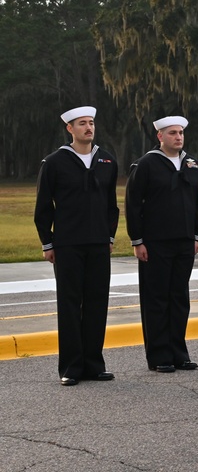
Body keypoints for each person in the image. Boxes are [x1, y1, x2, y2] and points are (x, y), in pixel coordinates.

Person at [34, 106, 118, 387]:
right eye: (82, 123)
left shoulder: (106, 160)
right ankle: (71, 367)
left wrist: (109, 237)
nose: (88, 128)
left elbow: (111, 205)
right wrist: (48, 242)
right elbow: (43, 207)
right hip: (68, 244)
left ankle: (94, 364)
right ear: (70, 129)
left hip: (98, 244)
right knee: (70, 305)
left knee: (97, 303)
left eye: (92, 123)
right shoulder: (55, 162)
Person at [125, 115, 198, 373]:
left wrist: (195, 236)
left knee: (179, 298)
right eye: (172, 133)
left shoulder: (192, 165)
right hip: (155, 242)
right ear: (160, 136)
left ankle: (179, 353)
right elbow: (133, 203)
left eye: (181, 132)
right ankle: (159, 355)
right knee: (157, 298)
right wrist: (138, 240)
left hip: (184, 242)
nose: (178, 137)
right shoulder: (147, 164)